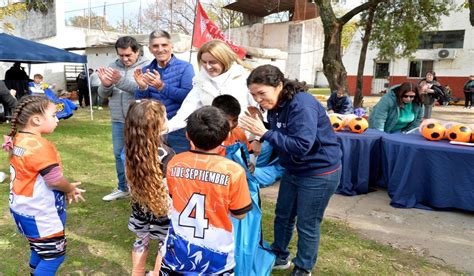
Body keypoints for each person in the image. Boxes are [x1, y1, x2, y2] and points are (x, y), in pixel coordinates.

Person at [239, 65, 342, 276]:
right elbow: (280, 130)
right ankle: (280, 255)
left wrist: (264, 133)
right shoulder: (276, 103)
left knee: (307, 223)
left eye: (261, 93)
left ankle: (304, 268)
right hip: (293, 169)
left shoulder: (302, 105)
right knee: (283, 216)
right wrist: (260, 135)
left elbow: (302, 145)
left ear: (279, 85)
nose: (258, 99)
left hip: (318, 172)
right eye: (253, 95)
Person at [160, 106, 252, 275]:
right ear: (226, 136)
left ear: (187, 134)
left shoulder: (175, 162)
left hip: (178, 253)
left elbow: (174, 196)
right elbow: (240, 214)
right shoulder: (233, 171)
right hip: (217, 258)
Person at [3, 96, 85, 275]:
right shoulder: (39, 146)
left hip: (22, 208)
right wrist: (70, 188)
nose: (58, 119)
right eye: (54, 115)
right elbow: (54, 180)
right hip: (40, 213)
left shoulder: (18, 139)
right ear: (36, 120)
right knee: (54, 257)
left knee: (38, 249)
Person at [165, 39, 255, 142]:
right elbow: (186, 111)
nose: (207, 66)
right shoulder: (200, 82)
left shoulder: (245, 78)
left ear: (224, 60)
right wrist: (167, 127)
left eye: (212, 62)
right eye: (204, 62)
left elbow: (260, 111)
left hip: (244, 141)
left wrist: (258, 139)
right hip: (215, 141)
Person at [124, 100, 175, 275]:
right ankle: (156, 273)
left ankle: (136, 272)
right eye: (165, 116)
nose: (168, 119)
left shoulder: (131, 149)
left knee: (141, 240)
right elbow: (170, 188)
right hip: (163, 209)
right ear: (156, 125)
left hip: (140, 208)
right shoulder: (167, 154)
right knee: (164, 242)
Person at [99, 36, 149, 201]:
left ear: (137, 51)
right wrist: (105, 85)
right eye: (121, 55)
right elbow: (103, 94)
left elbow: (140, 90)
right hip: (118, 119)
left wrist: (118, 81)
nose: (125, 59)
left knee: (137, 155)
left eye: (128, 55)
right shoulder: (113, 66)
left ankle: (141, 189)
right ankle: (123, 188)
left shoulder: (147, 66)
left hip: (138, 120)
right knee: (117, 154)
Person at [134, 30, 195, 153]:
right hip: (154, 128)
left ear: (171, 47)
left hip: (179, 129)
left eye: (164, 45)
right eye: (155, 46)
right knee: (156, 168)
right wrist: (142, 88)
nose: (160, 49)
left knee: (179, 166)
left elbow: (188, 98)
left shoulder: (185, 67)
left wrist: (161, 86)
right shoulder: (146, 70)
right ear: (150, 49)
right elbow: (140, 102)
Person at [212, 94, 284, 187]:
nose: (231, 124)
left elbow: (249, 154)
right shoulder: (206, 134)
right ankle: (280, 169)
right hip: (225, 175)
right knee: (268, 174)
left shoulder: (237, 131)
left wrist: (251, 165)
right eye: (226, 120)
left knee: (267, 145)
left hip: (240, 169)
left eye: (235, 120)